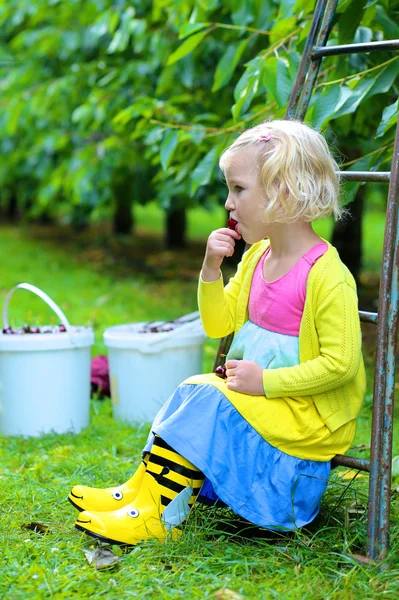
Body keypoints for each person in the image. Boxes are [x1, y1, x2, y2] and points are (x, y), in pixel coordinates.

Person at [68, 120, 365, 546]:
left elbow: (341, 365)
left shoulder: (326, 276)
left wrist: (266, 382)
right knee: (193, 388)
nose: (228, 202)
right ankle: (141, 494)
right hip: (267, 407)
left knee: (206, 396)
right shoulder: (259, 255)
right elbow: (218, 324)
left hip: (306, 423)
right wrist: (210, 270)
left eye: (238, 189)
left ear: (283, 191)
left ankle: (153, 515)